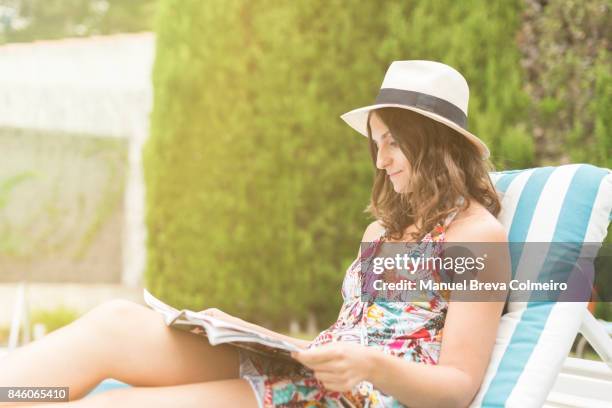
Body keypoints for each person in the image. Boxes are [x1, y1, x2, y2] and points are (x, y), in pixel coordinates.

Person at [0, 60, 509, 408]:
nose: (381, 160)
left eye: (393, 142)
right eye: (377, 144)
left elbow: (458, 386)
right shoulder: (383, 231)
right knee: (115, 323)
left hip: (359, 398)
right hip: (318, 375)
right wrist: (259, 336)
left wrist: (371, 365)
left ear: (435, 144)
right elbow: (346, 339)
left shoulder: (477, 238)